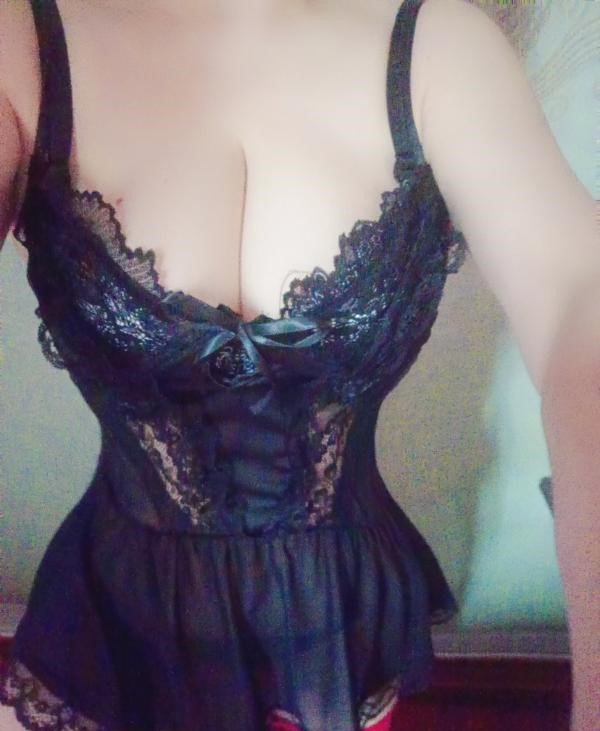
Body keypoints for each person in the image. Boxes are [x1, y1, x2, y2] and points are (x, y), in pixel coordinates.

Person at [0, 0, 598, 729]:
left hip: (335, 622)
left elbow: (581, 305)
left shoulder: (439, 49)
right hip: (114, 625)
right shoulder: (21, 42)